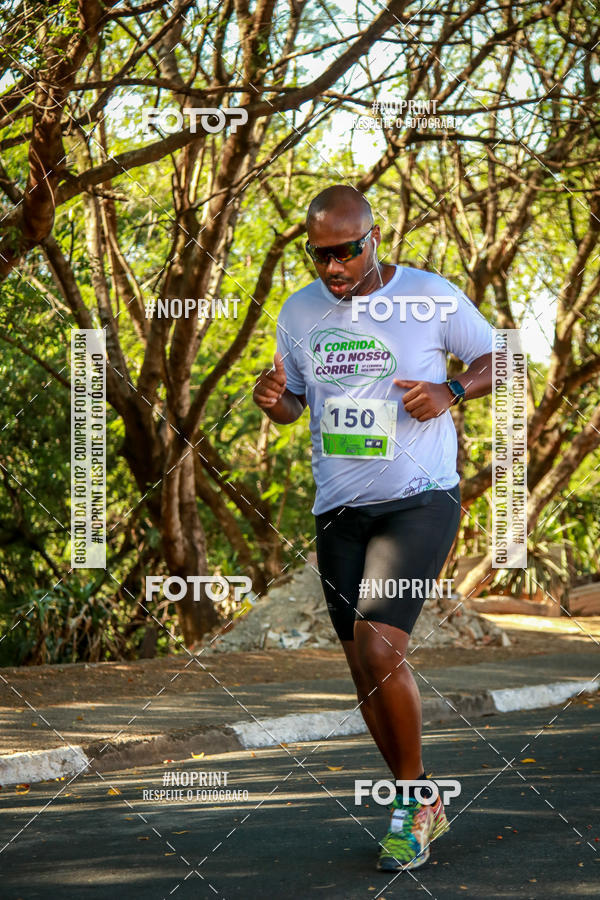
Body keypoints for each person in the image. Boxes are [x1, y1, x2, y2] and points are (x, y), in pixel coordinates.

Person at [252, 184, 494, 871]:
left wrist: (451, 391)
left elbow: (499, 358)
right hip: (338, 509)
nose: (333, 268)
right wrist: (275, 401)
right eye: (320, 255)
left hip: (419, 500)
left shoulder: (429, 296)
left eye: (346, 252)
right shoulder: (299, 312)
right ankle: (415, 798)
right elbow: (295, 402)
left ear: (374, 237)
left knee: (381, 647)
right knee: (363, 668)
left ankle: (414, 804)